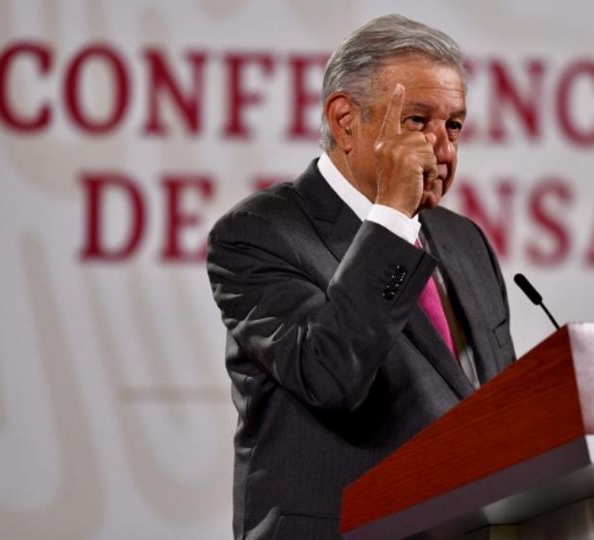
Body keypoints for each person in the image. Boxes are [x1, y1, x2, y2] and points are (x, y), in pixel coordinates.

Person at [207, 14, 515, 540]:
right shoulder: (259, 234)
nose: (443, 150)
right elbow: (330, 376)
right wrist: (393, 218)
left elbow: (496, 410)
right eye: (418, 122)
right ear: (346, 120)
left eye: (454, 125)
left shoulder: (465, 242)